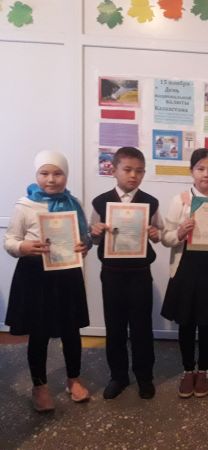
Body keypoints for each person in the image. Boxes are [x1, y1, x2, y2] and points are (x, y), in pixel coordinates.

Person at [4, 150, 91, 412]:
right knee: (39, 333)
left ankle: (73, 379)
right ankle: (39, 386)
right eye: (44, 173)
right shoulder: (25, 205)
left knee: (71, 330)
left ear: (66, 175)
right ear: (37, 175)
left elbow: (84, 237)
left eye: (57, 173)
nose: (51, 179)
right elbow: (10, 240)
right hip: (35, 276)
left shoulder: (73, 203)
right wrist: (23, 247)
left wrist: (84, 246)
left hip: (66, 274)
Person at [161, 148, 208, 399]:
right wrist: (180, 233)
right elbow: (166, 238)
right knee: (186, 322)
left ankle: (203, 370)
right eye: (200, 169)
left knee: (207, 322)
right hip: (186, 268)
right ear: (191, 171)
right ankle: (187, 370)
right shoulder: (180, 201)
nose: (206, 174)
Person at [89, 147, 163, 400]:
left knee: (142, 327)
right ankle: (118, 376)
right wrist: (95, 233)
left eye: (139, 171)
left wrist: (156, 234)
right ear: (114, 170)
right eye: (128, 169)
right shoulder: (100, 202)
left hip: (140, 274)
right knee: (115, 327)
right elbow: (93, 240)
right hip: (112, 274)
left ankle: (145, 377)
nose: (133, 175)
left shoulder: (151, 202)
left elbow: (160, 234)